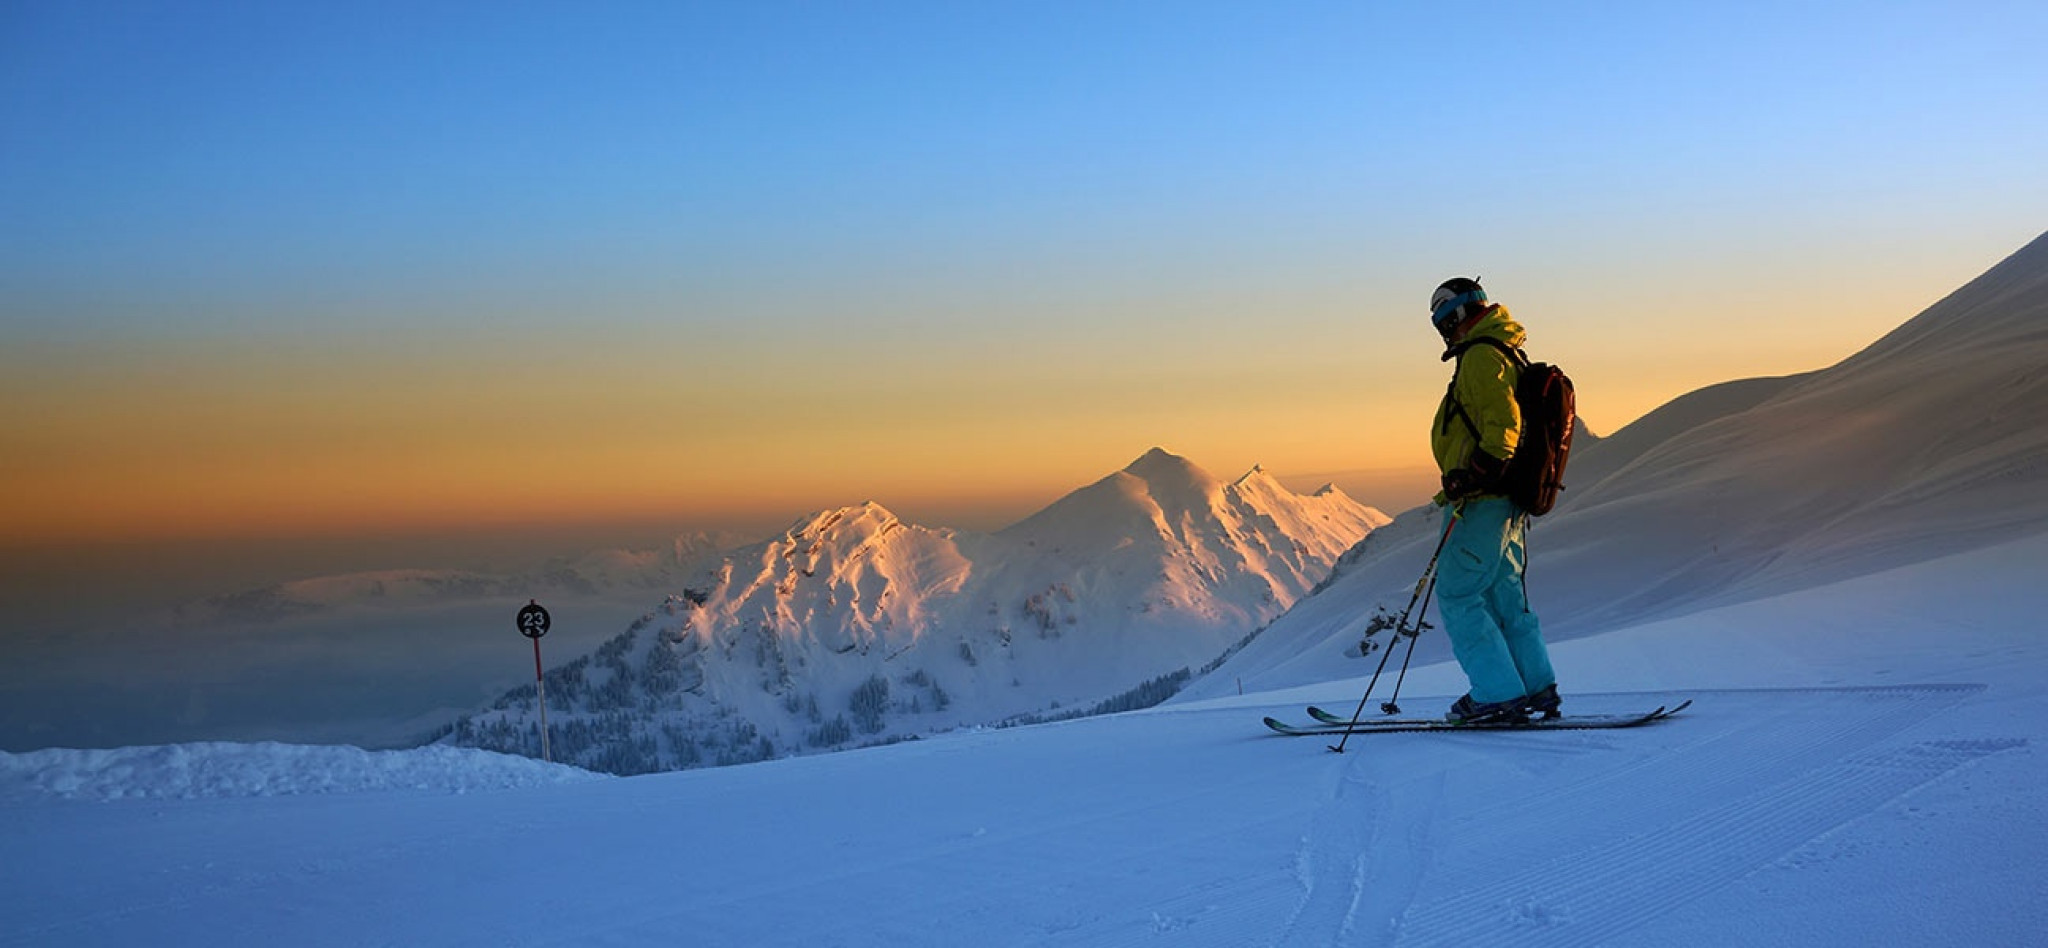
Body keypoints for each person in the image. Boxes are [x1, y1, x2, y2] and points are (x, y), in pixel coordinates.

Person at [1427, 277, 1561, 723]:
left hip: (1484, 499)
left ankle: (1496, 693)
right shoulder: (1505, 350)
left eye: (1445, 322)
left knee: (1458, 594)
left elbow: (1504, 425)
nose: (1445, 333)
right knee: (1504, 594)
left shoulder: (1483, 356)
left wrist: (1476, 474)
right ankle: (1535, 686)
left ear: (1461, 315)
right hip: (1508, 502)